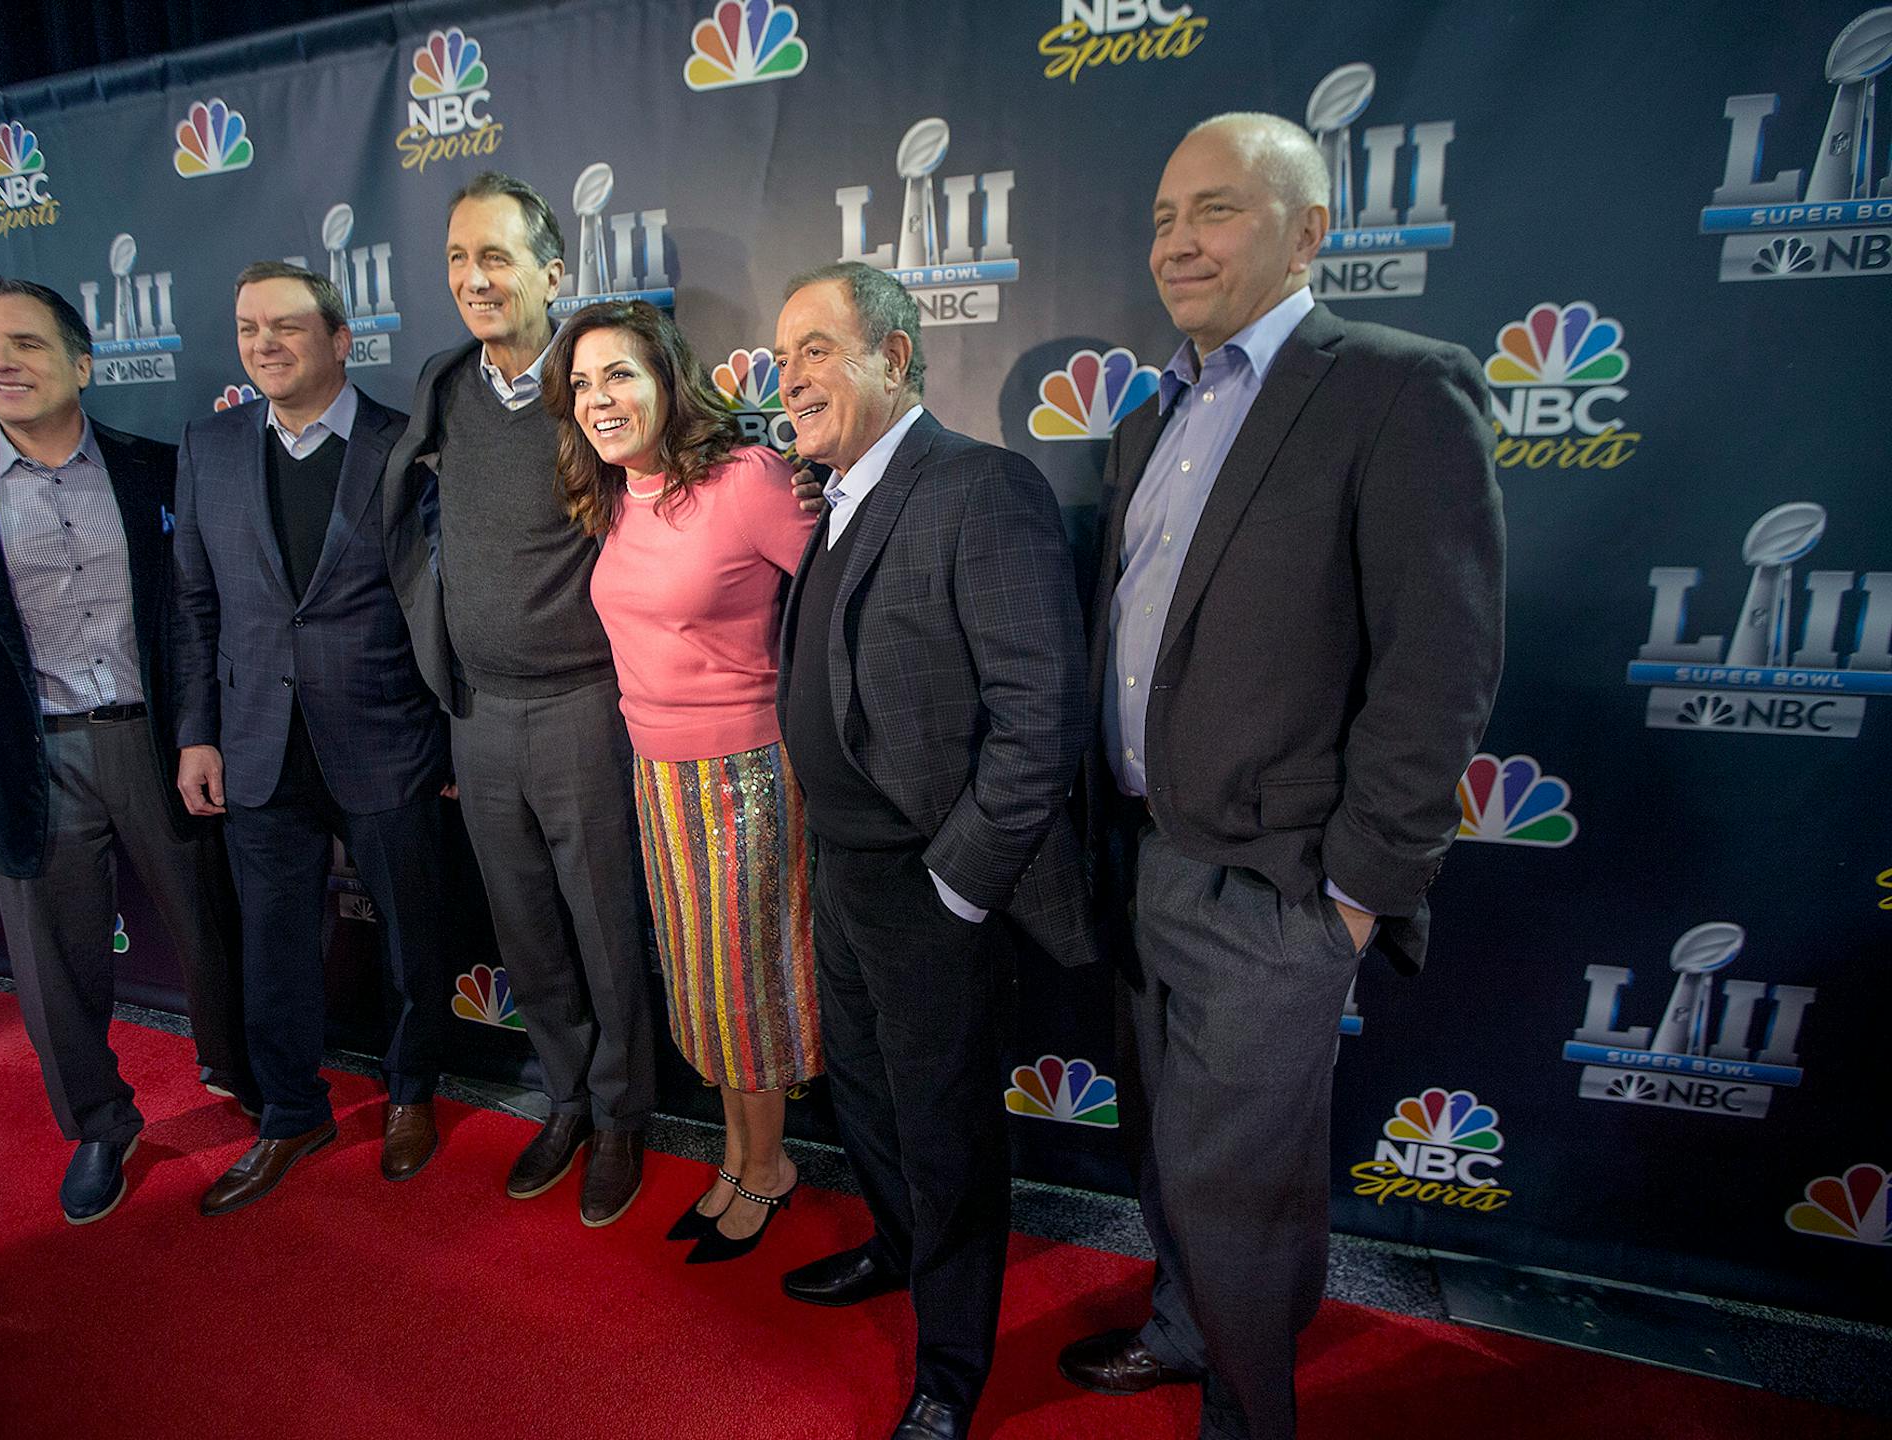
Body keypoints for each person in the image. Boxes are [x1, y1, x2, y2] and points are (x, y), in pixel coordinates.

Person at [1054, 114, 1504, 1440]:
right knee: (1168, 1159)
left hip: (1279, 892)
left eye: (1217, 210)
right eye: (1160, 217)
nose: (1177, 241)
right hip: (1142, 864)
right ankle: (1186, 1334)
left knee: (1244, 1195)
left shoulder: (1398, 390)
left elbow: (1439, 673)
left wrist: (1352, 905)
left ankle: (1251, 1417)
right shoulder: (1155, 417)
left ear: (1312, 232)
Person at [771, 262, 1094, 1440]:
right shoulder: (836, 495)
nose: (787, 374)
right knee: (864, 1096)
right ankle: (894, 1253)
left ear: (895, 357)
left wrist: (959, 883)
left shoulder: (979, 486)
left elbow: (1038, 717)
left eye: (815, 347)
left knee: (947, 1129)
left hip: (929, 881)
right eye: (781, 352)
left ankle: (952, 1370)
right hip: (843, 870)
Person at [0, 272, 253, 1225]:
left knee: (215, 928)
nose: (0, 361)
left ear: (81, 363)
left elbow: (193, 616)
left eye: (26, 343)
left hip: (156, 743)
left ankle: (240, 1071)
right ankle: (98, 1126)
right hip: (28, 754)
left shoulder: (159, 468)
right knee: (55, 964)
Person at [384, 173, 654, 1227]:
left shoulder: (598, 380)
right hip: (477, 713)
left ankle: (627, 1114)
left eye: (495, 257)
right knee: (527, 932)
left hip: (586, 706)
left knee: (604, 924)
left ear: (552, 271)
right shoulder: (444, 383)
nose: (473, 279)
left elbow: (688, 476)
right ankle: (569, 1098)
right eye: (457, 259)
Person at [540, 300, 820, 1263]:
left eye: (619, 373)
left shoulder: (746, 479)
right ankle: (743, 1154)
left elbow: (837, 603)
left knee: (753, 987)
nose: (599, 398)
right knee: (704, 988)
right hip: (656, 778)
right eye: (581, 383)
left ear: (668, 378)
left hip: (746, 776)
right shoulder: (616, 492)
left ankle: (767, 1168)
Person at [172, 261, 452, 1215]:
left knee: (413, 937)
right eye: (249, 327)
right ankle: (292, 1110)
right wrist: (197, 734)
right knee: (274, 945)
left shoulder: (403, 442)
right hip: (254, 741)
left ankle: (413, 1090)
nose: (265, 343)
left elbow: (437, 598)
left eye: (288, 325)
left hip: (384, 735)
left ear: (340, 339)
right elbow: (195, 604)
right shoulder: (208, 447)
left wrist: (448, 734)